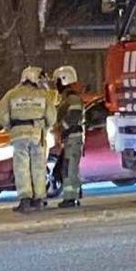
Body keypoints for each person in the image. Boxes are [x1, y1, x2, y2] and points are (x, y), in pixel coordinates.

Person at [0, 67, 56, 213]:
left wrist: (11, 126)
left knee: (21, 167)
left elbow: (1, 115)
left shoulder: (11, 94)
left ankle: (25, 199)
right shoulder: (43, 95)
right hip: (37, 133)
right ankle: (39, 198)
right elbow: (52, 117)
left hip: (18, 134)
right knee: (39, 166)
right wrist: (44, 127)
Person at [53, 66, 85, 209]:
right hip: (71, 138)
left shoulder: (72, 99)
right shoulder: (68, 98)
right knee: (68, 168)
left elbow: (73, 117)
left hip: (73, 138)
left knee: (69, 168)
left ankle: (70, 198)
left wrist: (62, 129)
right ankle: (72, 196)